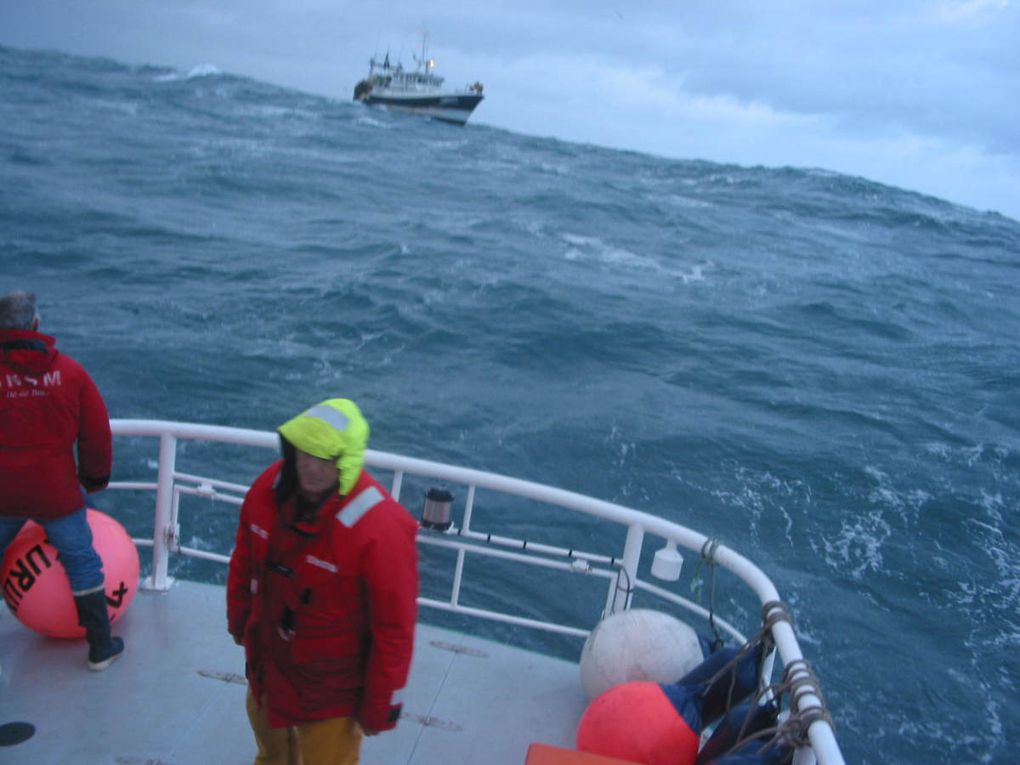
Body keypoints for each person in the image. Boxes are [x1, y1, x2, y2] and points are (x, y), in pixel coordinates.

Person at [227, 398, 419, 765]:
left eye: (326, 458)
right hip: (268, 666)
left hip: (330, 694)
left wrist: (381, 706)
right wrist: (238, 621)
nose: (312, 467)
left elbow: (394, 629)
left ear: (344, 461)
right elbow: (244, 561)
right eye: (305, 454)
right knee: (271, 754)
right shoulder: (266, 492)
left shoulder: (382, 531)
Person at [0, 290, 123, 671]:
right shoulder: (70, 373)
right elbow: (96, 433)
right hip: (55, 493)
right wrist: (94, 480)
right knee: (82, 562)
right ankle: (100, 647)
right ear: (36, 325)